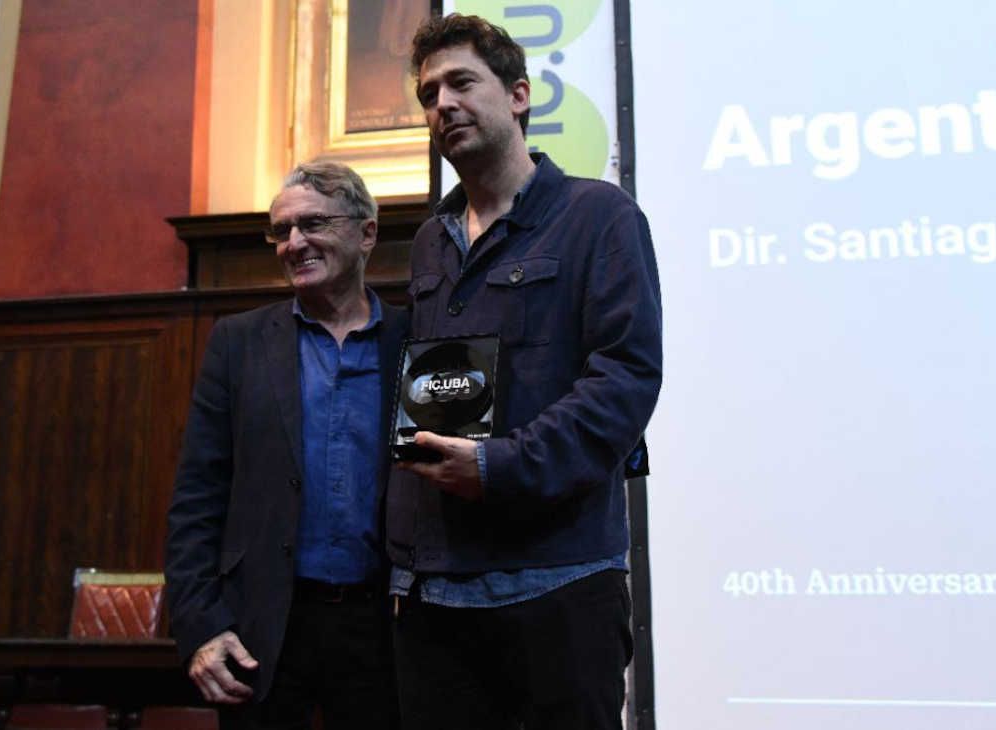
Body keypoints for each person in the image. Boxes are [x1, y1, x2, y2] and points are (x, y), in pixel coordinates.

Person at [386, 14, 664, 730]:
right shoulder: (429, 243)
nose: (441, 103)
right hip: (434, 598)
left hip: (558, 587)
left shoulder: (599, 216)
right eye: (427, 93)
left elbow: (624, 379)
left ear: (517, 95)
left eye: (460, 82)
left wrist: (499, 467)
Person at [165, 161, 406, 729]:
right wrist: (201, 625)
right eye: (281, 231)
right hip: (264, 632)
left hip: (387, 633)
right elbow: (198, 498)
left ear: (366, 232)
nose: (294, 243)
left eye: (313, 224)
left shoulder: (414, 341)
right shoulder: (238, 343)